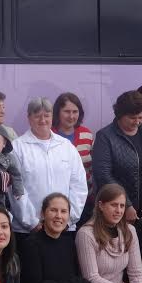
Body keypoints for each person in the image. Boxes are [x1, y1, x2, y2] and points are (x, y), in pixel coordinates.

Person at [12, 98, 88, 233]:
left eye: (46, 116)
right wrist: (32, 223)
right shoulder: (17, 148)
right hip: (29, 232)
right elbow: (15, 190)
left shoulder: (66, 147)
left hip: (64, 230)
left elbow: (79, 186)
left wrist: (67, 220)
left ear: (52, 116)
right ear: (29, 118)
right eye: (37, 116)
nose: (42, 120)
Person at [91, 90, 142, 223]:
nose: (137, 122)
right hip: (116, 212)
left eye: (141, 117)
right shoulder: (105, 136)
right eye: (132, 118)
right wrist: (125, 205)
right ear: (120, 115)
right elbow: (103, 175)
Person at [53, 91, 95, 222]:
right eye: (66, 111)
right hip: (56, 203)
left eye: (75, 111)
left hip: (85, 201)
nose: (71, 116)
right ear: (57, 112)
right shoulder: (48, 135)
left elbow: (92, 168)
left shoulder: (87, 135)